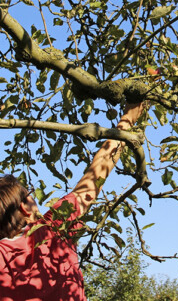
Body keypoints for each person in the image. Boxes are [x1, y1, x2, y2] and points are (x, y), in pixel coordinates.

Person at [0, 102, 144, 301]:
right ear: (24, 207)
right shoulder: (53, 228)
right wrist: (128, 120)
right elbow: (94, 177)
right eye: (29, 194)